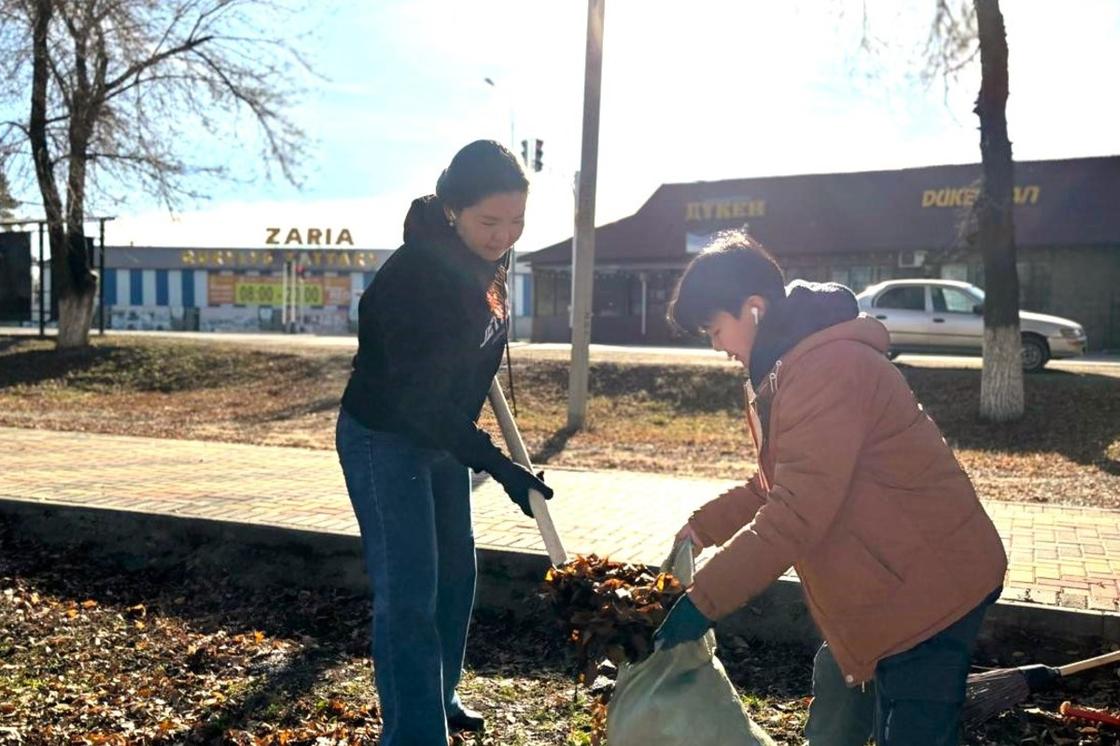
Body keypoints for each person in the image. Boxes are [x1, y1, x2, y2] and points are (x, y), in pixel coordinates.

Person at [652, 229, 1007, 745]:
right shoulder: (785, 370)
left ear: (753, 309)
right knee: (838, 700)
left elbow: (796, 511)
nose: (716, 346)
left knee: (911, 729)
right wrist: (703, 528)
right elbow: (777, 481)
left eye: (714, 328)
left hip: (930, 588)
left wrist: (703, 601)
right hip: (884, 582)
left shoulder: (829, 369)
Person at [336, 140, 554, 745]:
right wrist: (497, 465)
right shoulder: (412, 280)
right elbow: (419, 398)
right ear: (453, 209)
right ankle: (413, 732)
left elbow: (464, 364)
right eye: (490, 222)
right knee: (409, 592)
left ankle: (439, 695)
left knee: (456, 572)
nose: (504, 236)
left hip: (441, 437)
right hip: (386, 437)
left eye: (516, 222)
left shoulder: (486, 262)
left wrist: (482, 446)